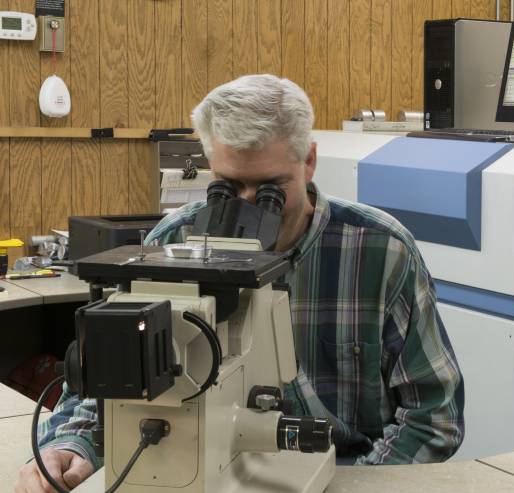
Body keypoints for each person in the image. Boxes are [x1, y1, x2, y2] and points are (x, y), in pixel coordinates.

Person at [15, 74, 464, 491]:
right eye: (230, 186)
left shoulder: (381, 251)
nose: (252, 208)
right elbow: (107, 383)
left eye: (270, 187)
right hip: (196, 468)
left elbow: (432, 417)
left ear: (308, 161)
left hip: (342, 473)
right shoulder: (171, 245)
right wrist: (70, 445)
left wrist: (358, 484)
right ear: (210, 164)